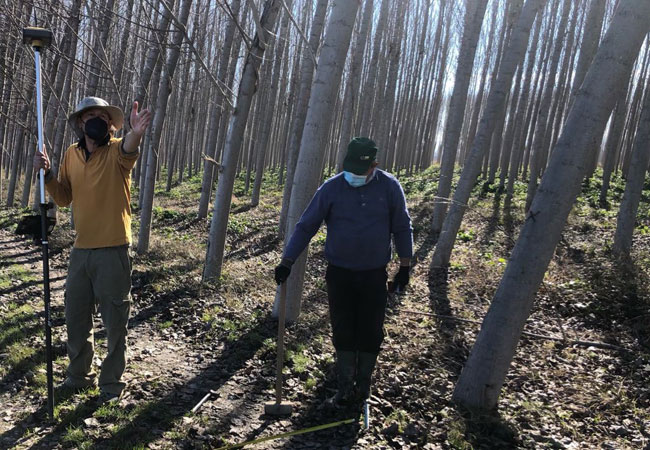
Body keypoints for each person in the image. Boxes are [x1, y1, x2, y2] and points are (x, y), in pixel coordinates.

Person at [274, 137, 413, 407]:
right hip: (339, 274)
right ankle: (344, 387)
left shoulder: (389, 187)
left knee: (371, 330)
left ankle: (364, 387)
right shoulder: (332, 188)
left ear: (374, 165)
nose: (355, 176)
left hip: (374, 274)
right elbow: (306, 226)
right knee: (343, 329)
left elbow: (402, 226)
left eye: (362, 171)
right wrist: (287, 261)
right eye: (351, 169)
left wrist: (405, 266)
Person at [33, 96, 152, 403]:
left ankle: (111, 385)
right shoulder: (71, 154)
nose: (96, 121)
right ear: (81, 123)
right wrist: (47, 175)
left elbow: (130, 149)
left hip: (113, 249)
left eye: (103, 117)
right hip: (81, 250)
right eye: (90, 117)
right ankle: (78, 376)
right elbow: (63, 198)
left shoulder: (117, 151)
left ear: (110, 125)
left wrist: (136, 132)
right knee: (76, 316)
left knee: (115, 322)